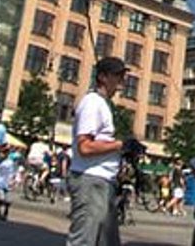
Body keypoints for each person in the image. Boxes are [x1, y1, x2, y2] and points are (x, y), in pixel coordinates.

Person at [70, 55, 129, 246]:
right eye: (118, 75)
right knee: (84, 239)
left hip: (103, 181)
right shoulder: (92, 103)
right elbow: (85, 146)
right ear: (103, 77)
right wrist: (121, 145)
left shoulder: (102, 104)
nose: (122, 79)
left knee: (107, 241)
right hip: (91, 179)